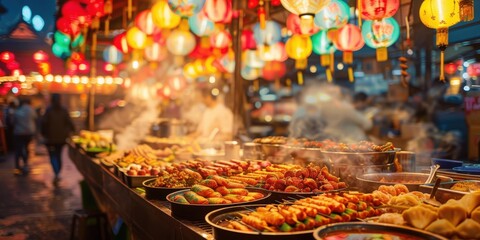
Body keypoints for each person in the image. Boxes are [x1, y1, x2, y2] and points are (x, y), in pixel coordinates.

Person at [41, 94, 75, 182]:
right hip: (61, 138)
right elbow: (70, 123)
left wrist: (44, 134)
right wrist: (70, 132)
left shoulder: (49, 110)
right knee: (59, 155)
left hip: (51, 139)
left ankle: (56, 173)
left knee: (53, 156)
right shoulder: (64, 110)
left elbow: (43, 123)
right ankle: (57, 172)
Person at [13, 98, 37, 175]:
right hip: (29, 132)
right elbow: (35, 118)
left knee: (19, 149)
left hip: (19, 133)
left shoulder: (17, 110)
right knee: (26, 147)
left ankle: (18, 166)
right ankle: (25, 164)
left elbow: (13, 121)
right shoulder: (31, 109)